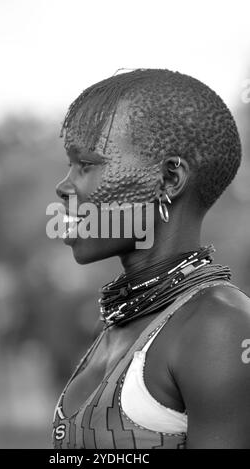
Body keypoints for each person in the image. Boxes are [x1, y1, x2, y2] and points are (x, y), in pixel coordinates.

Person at [52, 69, 250, 449]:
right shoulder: (124, 321)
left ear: (169, 179)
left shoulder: (219, 330)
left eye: (87, 165)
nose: (64, 187)